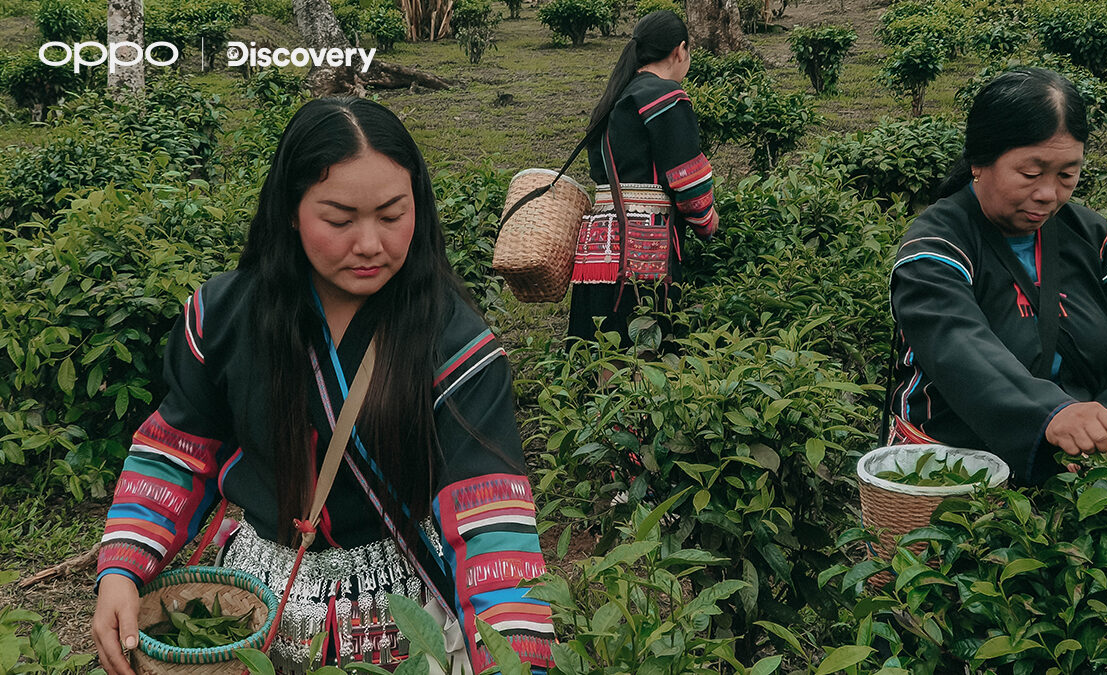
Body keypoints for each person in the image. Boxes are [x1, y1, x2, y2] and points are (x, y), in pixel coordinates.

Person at [91, 98, 554, 674]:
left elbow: (490, 516)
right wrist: (121, 570)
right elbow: (178, 451)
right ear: (290, 210)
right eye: (339, 220)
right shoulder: (224, 316)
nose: (370, 244)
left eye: (392, 215)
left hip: (399, 611)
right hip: (250, 603)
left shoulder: (456, 344)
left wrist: (516, 660)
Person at [885, 68, 1107, 486]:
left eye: (1067, 175)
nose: (1048, 194)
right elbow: (958, 345)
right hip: (952, 470)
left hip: (1080, 472)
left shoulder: (1096, 240)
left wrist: (1106, 432)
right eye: (1030, 173)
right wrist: (1052, 414)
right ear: (980, 161)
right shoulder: (935, 249)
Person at [567, 10, 719, 347]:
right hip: (645, 246)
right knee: (644, 351)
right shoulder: (666, 96)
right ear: (680, 50)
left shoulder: (615, 98)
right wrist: (707, 222)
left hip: (598, 249)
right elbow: (689, 183)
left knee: (601, 349)